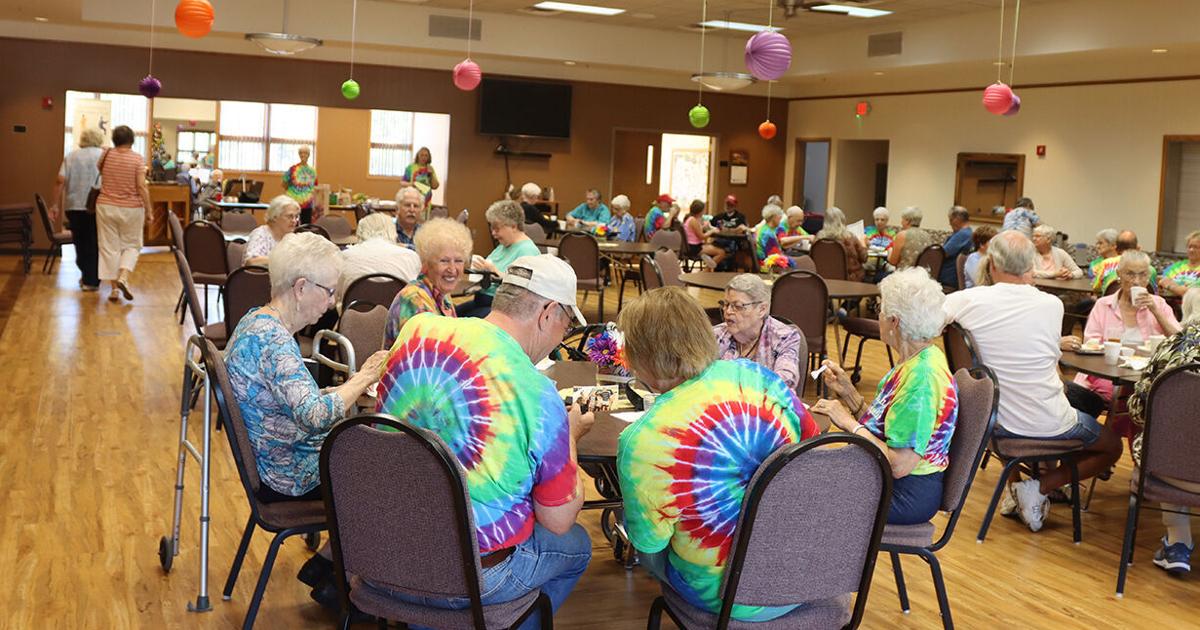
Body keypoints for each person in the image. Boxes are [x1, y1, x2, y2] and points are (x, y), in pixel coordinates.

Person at [375, 255, 593, 629]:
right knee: (576, 545)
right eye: (566, 324)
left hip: (382, 552)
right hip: (471, 578)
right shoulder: (538, 394)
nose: (562, 336)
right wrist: (569, 436)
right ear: (547, 313)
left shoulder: (417, 331)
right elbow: (557, 521)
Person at [617, 286, 818, 622]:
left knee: (638, 528)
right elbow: (812, 445)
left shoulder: (641, 441)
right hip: (807, 571)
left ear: (640, 357)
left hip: (730, 597)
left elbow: (649, 544)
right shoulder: (760, 377)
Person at [224, 233, 388, 605]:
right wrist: (363, 377)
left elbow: (291, 400)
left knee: (373, 458)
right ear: (301, 287)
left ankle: (329, 566)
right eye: (329, 292)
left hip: (275, 461)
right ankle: (354, 587)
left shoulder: (256, 323)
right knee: (389, 474)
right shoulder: (275, 343)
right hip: (288, 475)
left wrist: (342, 390)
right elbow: (314, 417)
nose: (332, 303)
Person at [943, 231, 1123, 532]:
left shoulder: (964, 300)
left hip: (989, 423)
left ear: (992, 264)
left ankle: (1019, 488)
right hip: (1045, 423)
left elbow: (923, 321)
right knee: (1112, 446)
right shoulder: (1051, 305)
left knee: (1033, 395)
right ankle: (1042, 486)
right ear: (1030, 266)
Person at [813, 267, 959, 525]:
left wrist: (848, 423)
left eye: (880, 310)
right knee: (808, 470)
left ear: (895, 322)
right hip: (888, 479)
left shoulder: (921, 380)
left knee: (803, 486)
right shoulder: (919, 358)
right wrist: (849, 393)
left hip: (904, 493)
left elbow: (899, 465)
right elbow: (887, 430)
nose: (877, 316)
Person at [1127, 289, 1200, 575]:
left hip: (1174, 471)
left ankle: (1177, 543)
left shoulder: (1175, 346)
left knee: (1164, 441)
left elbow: (1139, 412)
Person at [1067, 250, 1180, 426]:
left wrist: (1156, 311)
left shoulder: (1159, 304)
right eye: (1130, 274)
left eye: (1142, 274)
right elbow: (1091, 343)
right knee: (1121, 394)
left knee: (1150, 395)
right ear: (1119, 275)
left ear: (1148, 277)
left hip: (1147, 375)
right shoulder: (1103, 305)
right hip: (1108, 372)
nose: (1136, 281)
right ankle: (1116, 431)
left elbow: (1179, 341)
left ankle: (1133, 434)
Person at [383, 217, 472, 349]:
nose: (452, 269)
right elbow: (426, 354)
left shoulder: (443, 295)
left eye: (459, 261)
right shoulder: (413, 299)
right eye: (444, 261)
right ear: (426, 263)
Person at [713, 274, 803, 390]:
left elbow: (784, 383)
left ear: (762, 309)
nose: (728, 311)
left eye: (738, 306)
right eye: (726, 304)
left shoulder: (784, 337)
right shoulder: (715, 335)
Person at [95, 125, 150, 303]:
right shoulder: (137, 159)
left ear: (114, 139)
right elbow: (141, 186)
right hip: (132, 208)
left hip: (105, 206)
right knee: (132, 245)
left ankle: (114, 290)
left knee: (109, 247)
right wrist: (149, 210)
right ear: (132, 140)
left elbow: (99, 170)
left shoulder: (106, 155)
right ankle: (123, 277)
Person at [459, 200, 541, 318]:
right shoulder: (503, 246)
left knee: (459, 323)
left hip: (502, 309)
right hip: (483, 301)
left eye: (497, 229)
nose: (493, 233)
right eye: (492, 228)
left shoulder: (528, 251)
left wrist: (495, 271)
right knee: (449, 316)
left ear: (513, 226)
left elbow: (524, 287)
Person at [51, 127, 104, 292]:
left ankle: (87, 276)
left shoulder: (71, 156)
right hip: (97, 206)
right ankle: (91, 279)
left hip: (74, 206)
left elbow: (60, 181)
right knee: (94, 242)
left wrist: (54, 205)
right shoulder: (103, 156)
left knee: (80, 242)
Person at [336, 212, 421, 309]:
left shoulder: (345, 256)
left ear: (360, 233)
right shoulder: (410, 257)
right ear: (393, 233)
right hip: (399, 316)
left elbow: (336, 296)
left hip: (354, 315)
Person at [1093, 230, 1158, 294]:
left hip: (1110, 300)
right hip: (1142, 300)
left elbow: (1096, 288)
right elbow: (1153, 292)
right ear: (1137, 248)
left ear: (1116, 249)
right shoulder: (1150, 269)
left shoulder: (1105, 264)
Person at [243, 195, 300, 266]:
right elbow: (251, 262)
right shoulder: (261, 234)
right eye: (289, 216)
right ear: (275, 217)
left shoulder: (292, 237)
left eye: (296, 217)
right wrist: (282, 260)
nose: (294, 221)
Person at [816, 206, 867, 281]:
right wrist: (863, 244)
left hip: (823, 278)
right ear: (842, 220)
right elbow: (864, 258)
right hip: (849, 278)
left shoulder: (818, 238)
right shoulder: (850, 237)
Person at [887, 206, 934, 270]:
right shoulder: (927, 235)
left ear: (907, 221)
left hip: (905, 273)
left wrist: (889, 252)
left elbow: (893, 262)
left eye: (902, 219)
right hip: (922, 274)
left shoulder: (902, 235)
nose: (901, 222)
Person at [753, 204, 796, 271]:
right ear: (774, 217)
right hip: (767, 266)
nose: (780, 218)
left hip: (763, 262)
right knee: (799, 261)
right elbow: (775, 256)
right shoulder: (768, 234)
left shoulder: (761, 229)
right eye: (779, 216)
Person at [283, 145, 319, 224]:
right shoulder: (293, 169)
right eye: (301, 153)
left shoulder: (313, 171)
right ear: (299, 154)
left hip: (307, 204)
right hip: (294, 203)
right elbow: (284, 184)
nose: (303, 155)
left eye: (305, 153)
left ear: (309, 155)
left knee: (306, 226)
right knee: (293, 224)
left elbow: (315, 186)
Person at [939, 206, 974, 286]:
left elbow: (943, 253)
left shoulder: (962, 234)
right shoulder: (969, 232)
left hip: (949, 279)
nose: (949, 223)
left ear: (957, 219)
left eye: (950, 220)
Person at [1159, 230, 1200, 297]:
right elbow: (1162, 282)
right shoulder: (1177, 266)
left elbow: (1189, 293)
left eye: (1196, 247)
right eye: (1189, 247)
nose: (1191, 250)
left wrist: (1170, 286)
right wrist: (1179, 289)